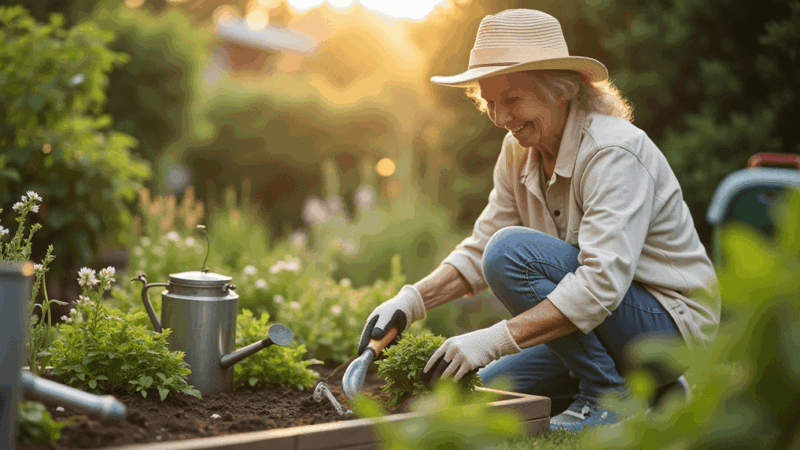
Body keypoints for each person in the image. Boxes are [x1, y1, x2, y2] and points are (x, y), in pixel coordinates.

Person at [357, 9, 720, 431]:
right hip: (603, 324)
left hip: (666, 326)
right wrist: (410, 300)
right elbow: (479, 246)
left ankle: (610, 396)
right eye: (490, 102)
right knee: (479, 388)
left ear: (560, 90)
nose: (499, 118)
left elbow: (601, 284)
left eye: (512, 100)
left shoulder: (612, 152)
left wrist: (492, 339)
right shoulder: (517, 151)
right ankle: (658, 392)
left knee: (511, 253)